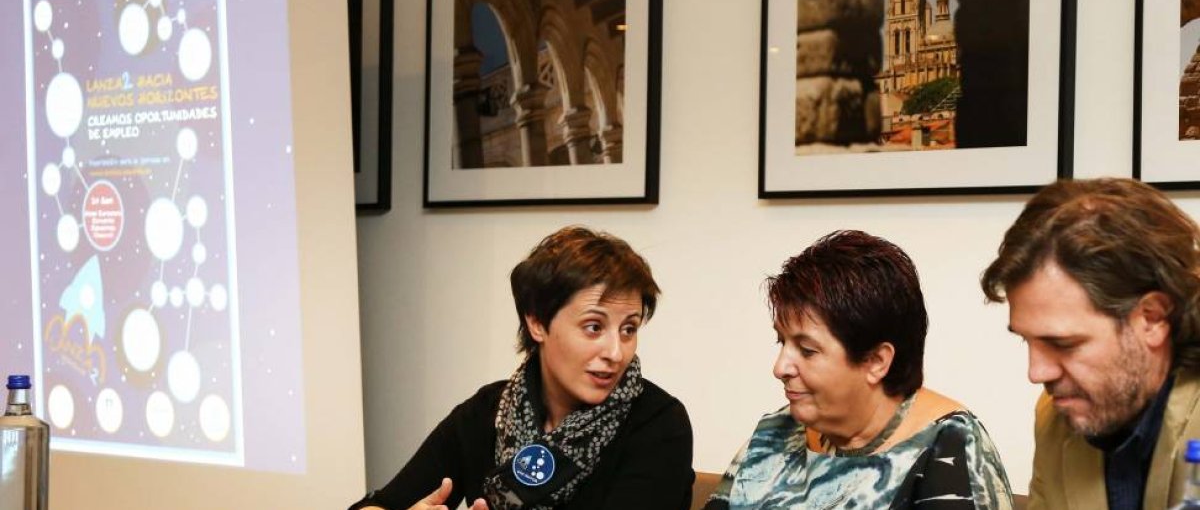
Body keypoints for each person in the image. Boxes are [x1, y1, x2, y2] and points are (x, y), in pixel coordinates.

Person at [348, 226, 694, 510]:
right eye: (593, 327)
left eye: (629, 329)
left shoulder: (658, 424)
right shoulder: (489, 410)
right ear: (537, 323)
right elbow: (378, 504)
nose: (616, 352)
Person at [705, 230, 1012, 510]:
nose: (780, 367)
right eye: (781, 341)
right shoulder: (775, 433)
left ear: (876, 361)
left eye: (807, 350)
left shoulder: (948, 448)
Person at [981, 177, 1200, 509]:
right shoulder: (1055, 418)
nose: (1037, 373)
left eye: (1064, 343)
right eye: (1027, 341)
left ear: (1152, 318)